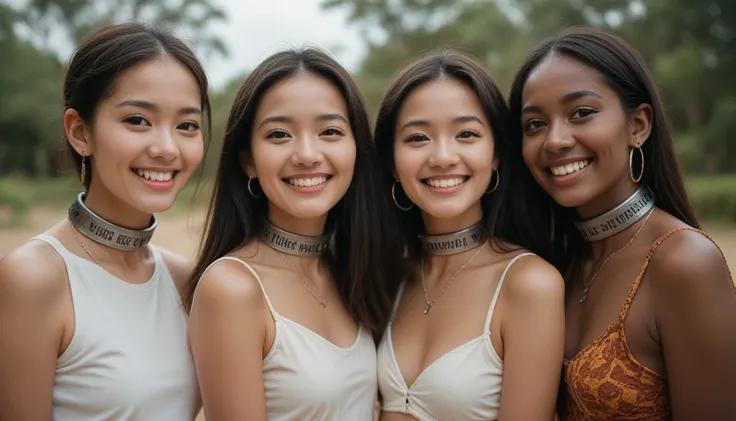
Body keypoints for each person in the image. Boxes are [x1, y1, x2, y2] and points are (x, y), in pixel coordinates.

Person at [509, 27, 736, 420]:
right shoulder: (555, 264)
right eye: (534, 124)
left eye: (581, 113)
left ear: (639, 125)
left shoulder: (684, 262)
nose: (556, 140)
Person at [0, 22, 211, 420]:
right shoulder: (33, 278)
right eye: (137, 120)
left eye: (187, 125)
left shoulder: (185, 281)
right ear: (80, 132)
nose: (167, 148)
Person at [186, 47, 405, 421]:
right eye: (279, 134)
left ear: (356, 149)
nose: (307, 154)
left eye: (330, 132)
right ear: (248, 160)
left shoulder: (348, 272)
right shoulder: (232, 288)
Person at [374, 50, 565, 421]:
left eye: (466, 134)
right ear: (392, 163)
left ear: (495, 154)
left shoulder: (529, 284)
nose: (443, 157)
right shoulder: (391, 275)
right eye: (417, 138)